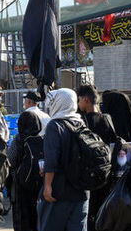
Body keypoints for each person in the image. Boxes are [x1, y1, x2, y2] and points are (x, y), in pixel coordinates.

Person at [39, 88, 88, 231]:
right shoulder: (81, 123)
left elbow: (52, 160)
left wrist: (48, 186)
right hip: (82, 189)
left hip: (60, 189)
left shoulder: (55, 126)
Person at [77, 85, 117, 231]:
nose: (78, 103)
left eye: (79, 99)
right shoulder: (107, 118)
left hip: (88, 174)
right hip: (106, 173)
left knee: (88, 213)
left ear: (86, 99)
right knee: (103, 211)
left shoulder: (82, 121)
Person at [8, 109, 44, 231]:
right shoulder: (42, 139)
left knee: (22, 219)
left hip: (20, 186)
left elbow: (11, 160)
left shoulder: (19, 139)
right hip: (39, 185)